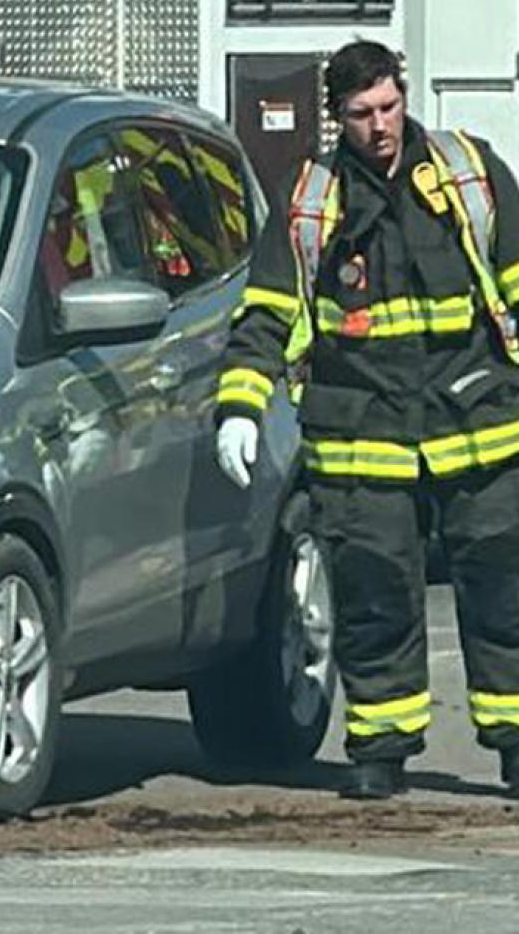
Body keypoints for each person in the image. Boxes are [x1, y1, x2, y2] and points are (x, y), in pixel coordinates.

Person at [214, 39, 519, 800]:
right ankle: (381, 751)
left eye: (388, 107)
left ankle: (516, 745)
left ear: (403, 97)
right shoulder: (311, 199)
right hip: (363, 437)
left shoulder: (469, 176)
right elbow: (268, 313)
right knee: (373, 594)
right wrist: (241, 406)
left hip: (478, 420)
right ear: (337, 117)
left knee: (504, 590)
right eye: (361, 114)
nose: (379, 126)